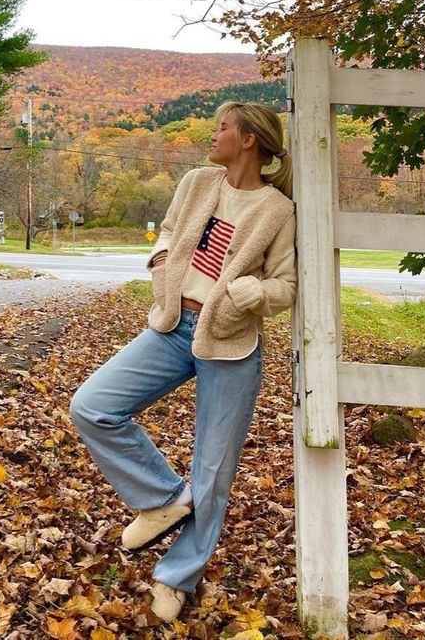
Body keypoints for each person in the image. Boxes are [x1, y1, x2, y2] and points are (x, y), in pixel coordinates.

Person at [69, 102, 297, 622]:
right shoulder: (197, 182)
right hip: (172, 328)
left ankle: (176, 577)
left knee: (213, 471)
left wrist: (237, 295)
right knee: (93, 406)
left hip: (231, 341)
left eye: (221, 128)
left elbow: (284, 285)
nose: (212, 135)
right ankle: (165, 498)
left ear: (248, 140)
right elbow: (170, 233)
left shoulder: (277, 211)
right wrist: (161, 262)